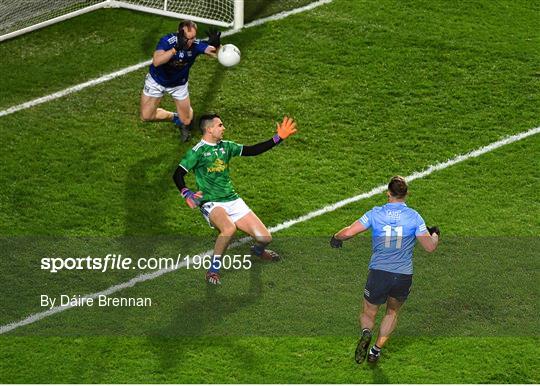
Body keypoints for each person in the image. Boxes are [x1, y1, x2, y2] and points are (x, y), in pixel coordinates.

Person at [173, 114, 297, 285]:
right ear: (209, 129)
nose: (223, 128)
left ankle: (258, 251)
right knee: (229, 229)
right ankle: (213, 270)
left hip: (233, 200)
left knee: (265, 238)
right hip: (211, 202)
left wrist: (278, 138)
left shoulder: (227, 146)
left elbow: (253, 150)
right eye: (220, 125)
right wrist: (186, 193)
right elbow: (178, 174)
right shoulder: (197, 152)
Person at [330, 176, 440, 364]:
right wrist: (435, 234)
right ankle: (375, 351)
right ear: (406, 194)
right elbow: (429, 247)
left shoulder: (376, 213)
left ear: (388, 193)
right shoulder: (414, 217)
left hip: (379, 273)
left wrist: (336, 237)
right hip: (403, 276)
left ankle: (366, 333)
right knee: (392, 312)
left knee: (368, 312)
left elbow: (349, 232)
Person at [140, 20, 221, 142]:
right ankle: (175, 117)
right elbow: (157, 61)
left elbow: (217, 55)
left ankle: (183, 120)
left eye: (193, 37)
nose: (191, 41)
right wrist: (175, 49)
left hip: (178, 84)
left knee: (187, 120)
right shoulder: (167, 41)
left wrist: (218, 46)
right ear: (179, 33)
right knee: (146, 116)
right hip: (156, 81)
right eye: (188, 38)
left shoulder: (196, 45)